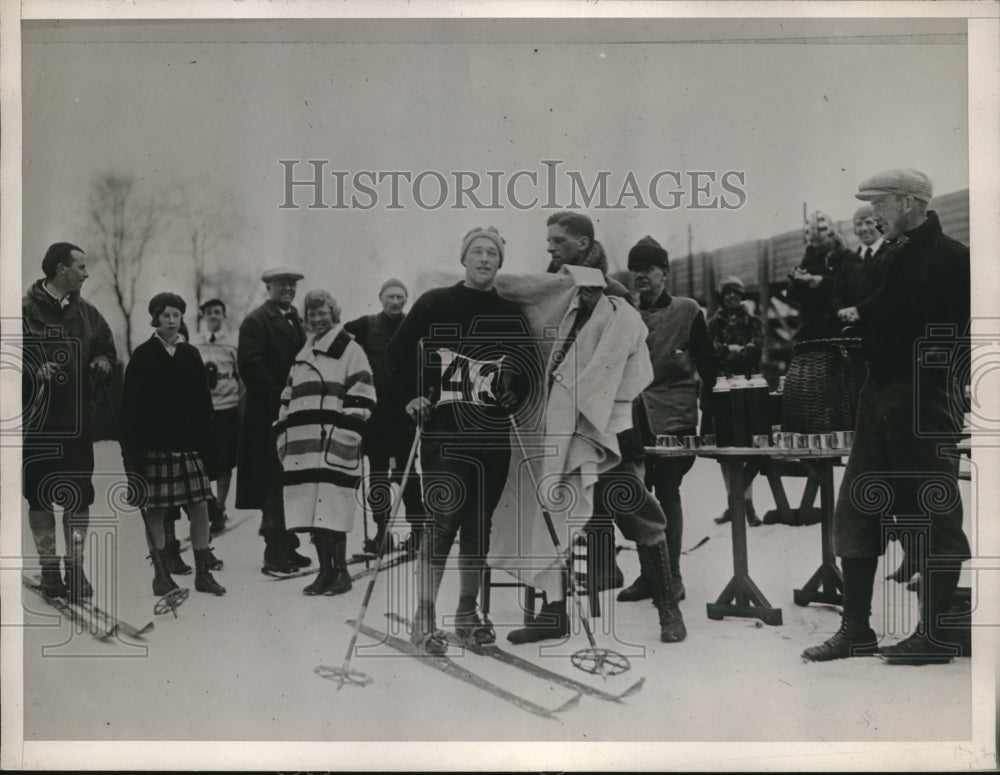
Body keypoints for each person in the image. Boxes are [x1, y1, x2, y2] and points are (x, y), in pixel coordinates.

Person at [803, 168, 970, 665]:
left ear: (908, 201)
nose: (872, 214)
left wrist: (877, 327)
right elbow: (871, 305)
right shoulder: (890, 256)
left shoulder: (951, 257)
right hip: (877, 393)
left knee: (933, 512)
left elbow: (939, 328)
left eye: (879, 203)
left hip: (922, 398)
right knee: (857, 508)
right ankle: (856, 630)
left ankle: (936, 634)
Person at [502, 265, 687, 645]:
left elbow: (626, 371)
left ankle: (669, 608)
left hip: (608, 436)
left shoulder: (617, 313)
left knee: (638, 513)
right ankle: (553, 613)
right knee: (554, 515)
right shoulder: (560, 315)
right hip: (563, 435)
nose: (572, 292)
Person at [388, 226, 539, 654]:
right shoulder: (437, 301)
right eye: (477, 251)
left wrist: (516, 392)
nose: (485, 259)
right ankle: (423, 617)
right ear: (464, 258)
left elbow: (527, 369)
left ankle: (467, 614)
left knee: (478, 525)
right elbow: (397, 352)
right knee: (442, 523)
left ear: (500, 263)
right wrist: (411, 397)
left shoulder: (510, 314)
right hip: (444, 431)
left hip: (491, 434)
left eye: (492, 253)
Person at [618, 236, 716, 605]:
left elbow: (709, 368)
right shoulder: (624, 313)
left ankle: (671, 577)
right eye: (635, 270)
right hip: (632, 419)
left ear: (665, 273)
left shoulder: (687, 310)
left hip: (675, 419)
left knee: (668, 492)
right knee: (637, 498)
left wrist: (709, 422)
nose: (640, 276)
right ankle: (649, 576)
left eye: (648, 269)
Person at [22, 243, 116, 599]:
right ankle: (50, 573)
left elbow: (106, 348)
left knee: (78, 498)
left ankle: (75, 571)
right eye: (81, 267)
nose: (86, 273)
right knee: (40, 498)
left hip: (77, 422)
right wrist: (32, 372)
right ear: (61, 269)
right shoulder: (24, 310)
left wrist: (104, 363)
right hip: (37, 424)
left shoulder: (88, 313)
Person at [121, 293, 225, 597]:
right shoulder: (143, 355)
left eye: (176, 315)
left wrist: (207, 444)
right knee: (155, 511)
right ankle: (162, 574)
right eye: (165, 315)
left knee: (200, 507)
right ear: (155, 318)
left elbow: (203, 403)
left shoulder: (190, 354)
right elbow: (130, 410)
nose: (171, 320)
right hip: (155, 449)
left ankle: (203, 573)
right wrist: (134, 457)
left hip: (188, 448)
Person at [276, 290, 376, 596]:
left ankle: (341, 573)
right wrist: (282, 435)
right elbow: (287, 397)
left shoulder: (350, 349)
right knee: (310, 509)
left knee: (332, 506)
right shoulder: (301, 355)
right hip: (302, 447)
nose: (317, 319)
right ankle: (324, 571)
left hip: (334, 444)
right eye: (312, 314)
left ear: (334, 313)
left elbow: (364, 392)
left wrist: (345, 434)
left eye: (323, 313)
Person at [236, 268, 311, 575]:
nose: (288, 289)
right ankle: (274, 554)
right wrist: (283, 398)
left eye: (292, 285)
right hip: (268, 415)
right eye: (281, 284)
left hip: (294, 415)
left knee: (289, 482)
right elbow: (251, 367)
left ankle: (289, 547)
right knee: (272, 484)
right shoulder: (256, 321)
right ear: (267, 286)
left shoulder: (298, 320)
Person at [344, 279, 426, 556]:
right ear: (380, 297)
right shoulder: (365, 325)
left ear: (406, 300)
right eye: (390, 296)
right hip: (376, 416)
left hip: (404, 414)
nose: (395, 301)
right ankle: (381, 533)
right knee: (377, 473)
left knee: (407, 473)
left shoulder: (413, 324)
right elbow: (339, 337)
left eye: (400, 297)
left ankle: (418, 532)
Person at [707, 275, 764, 526]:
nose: (731, 296)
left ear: (742, 296)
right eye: (727, 292)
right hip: (722, 389)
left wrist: (734, 352)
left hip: (749, 389)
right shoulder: (713, 322)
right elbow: (711, 349)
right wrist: (733, 352)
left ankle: (747, 503)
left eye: (736, 293)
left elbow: (758, 345)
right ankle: (733, 502)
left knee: (748, 446)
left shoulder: (752, 320)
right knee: (726, 448)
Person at [190, 298, 241, 534]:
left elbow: (242, 378)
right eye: (209, 312)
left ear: (224, 316)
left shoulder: (233, 342)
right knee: (201, 461)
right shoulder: (194, 342)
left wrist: (236, 399)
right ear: (203, 316)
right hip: (202, 411)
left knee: (225, 461)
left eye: (218, 312)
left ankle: (220, 509)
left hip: (227, 408)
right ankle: (207, 504)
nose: (213, 316)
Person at [787, 211, 857, 342]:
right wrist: (797, 281)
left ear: (833, 236)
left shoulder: (849, 258)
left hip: (840, 330)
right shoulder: (808, 259)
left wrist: (823, 282)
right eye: (812, 241)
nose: (815, 245)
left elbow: (855, 288)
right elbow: (792, 295)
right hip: (810, 333)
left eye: (819, 240)